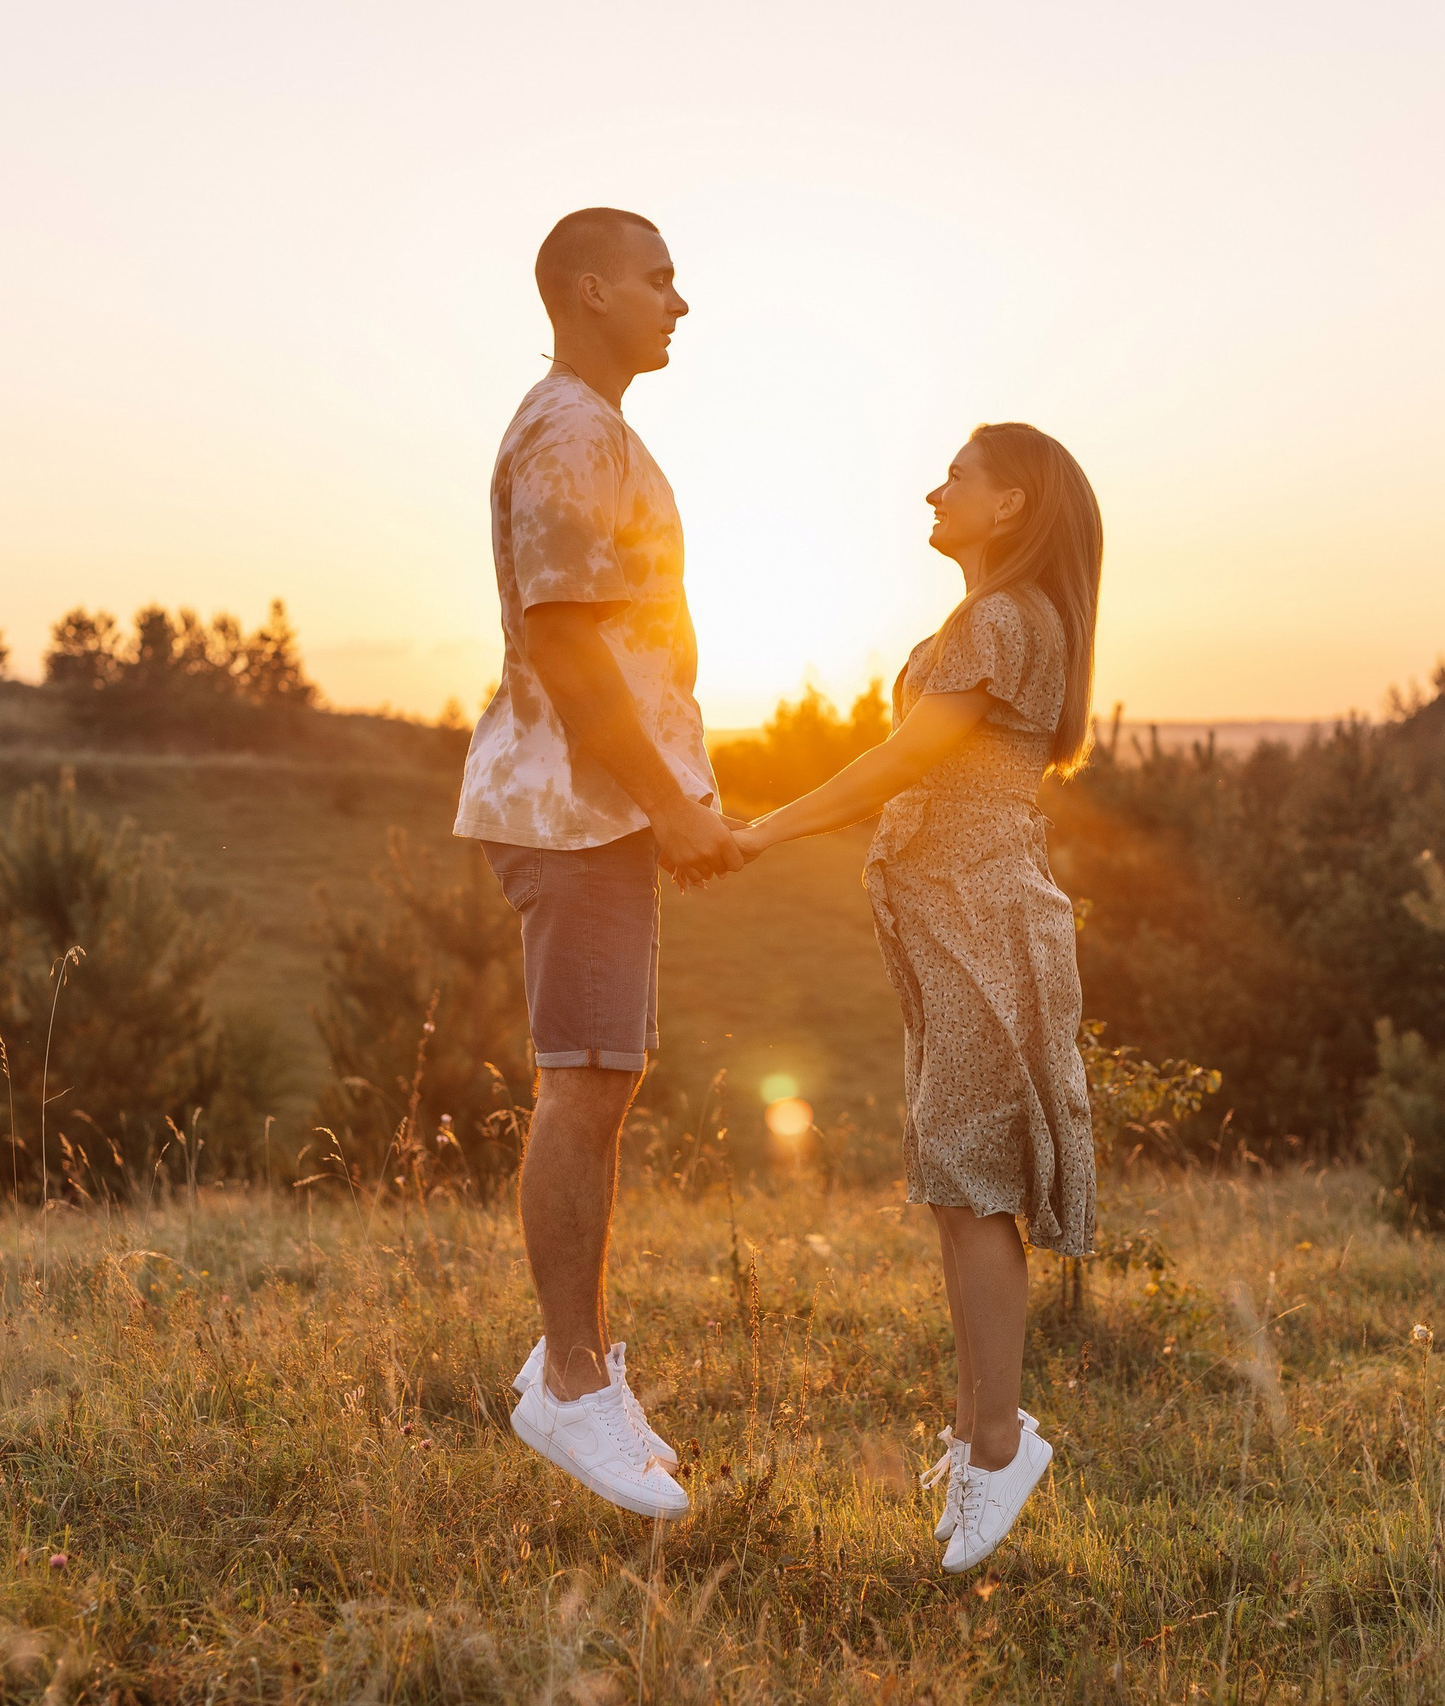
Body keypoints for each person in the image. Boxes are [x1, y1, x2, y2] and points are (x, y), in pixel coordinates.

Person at [733, 422, 1102, 1572]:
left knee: (970, 1181)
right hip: (954, 917)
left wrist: (765, 828)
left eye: (959, 476)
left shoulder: (1001, 621)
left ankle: (998, 1449)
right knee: (958, 1183)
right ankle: (981, 1438)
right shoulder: (994, 618)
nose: (933, 489)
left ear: (1012, 502)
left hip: (982, 918)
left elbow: (901, 760)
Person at [455, 207, 743, 1520]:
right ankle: (570, 1384)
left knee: (600, 1082)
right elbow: (571, 650)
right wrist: (669, 803)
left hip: (593, 812)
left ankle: (570, 1364)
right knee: (581, 1085)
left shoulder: (592, 427)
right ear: (587, 288)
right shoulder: (573, 431)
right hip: (578, 815)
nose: (679, 300)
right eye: (658, 277)